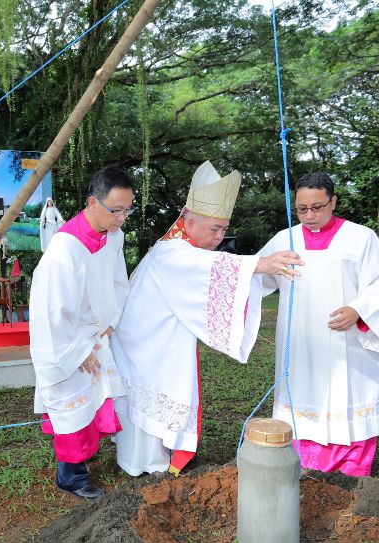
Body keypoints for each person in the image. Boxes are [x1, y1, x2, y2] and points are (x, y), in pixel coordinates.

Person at [111, 162, 302, 476]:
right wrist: (260, 264)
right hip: (145, 344)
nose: (219, 236)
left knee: (159, 397)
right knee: (150, 400)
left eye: (224, 229)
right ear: (189, 219)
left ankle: (156, 458)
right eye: (215, 228)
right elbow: (210, 267)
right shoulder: (172, 252)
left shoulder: (182, 249)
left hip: (157, 341)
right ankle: (146, 463)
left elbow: (209, 267)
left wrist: (258, 267)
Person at [258, 172, 379, 477]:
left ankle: (350, 466)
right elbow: (256, 275)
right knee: (302, 391)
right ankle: (303, 461)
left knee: (348, 393)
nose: (310, 216)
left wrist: (359, 310)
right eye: (302, 209)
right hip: (299, 340)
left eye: (318, 207)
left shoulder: (361, 238)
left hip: (347, 339)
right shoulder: (286, 239)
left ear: (333, 201)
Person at [29, 166, 131, 499]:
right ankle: (70, 477)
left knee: (94, 403)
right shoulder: (65, 250)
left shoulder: (114, 237)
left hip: (98, 335)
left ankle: (83, 464)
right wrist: (76, 351)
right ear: (92, 203)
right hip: (71, 340)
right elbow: (50, 310)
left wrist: (112, 319)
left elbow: (118, 281)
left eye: (127, 210)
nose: (122, 218)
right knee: (73, 408)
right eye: (116, 210)